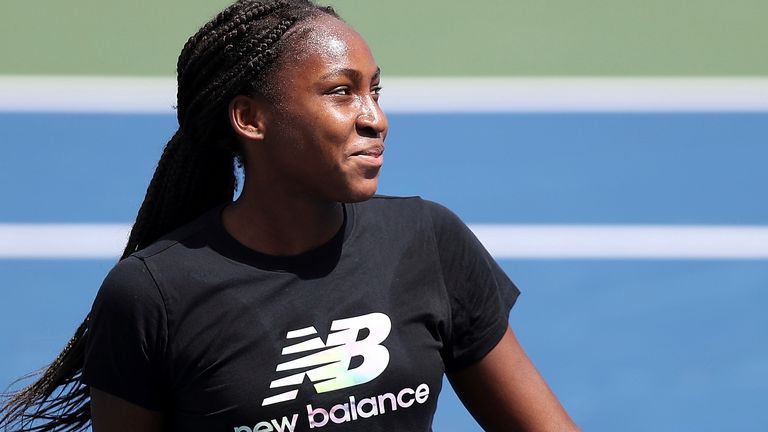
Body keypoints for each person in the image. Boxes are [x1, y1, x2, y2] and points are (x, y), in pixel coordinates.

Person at [1, 1, 579, 430]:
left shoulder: (427, 241)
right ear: (251, 118)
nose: (375, 118)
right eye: (340, 92)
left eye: (375, 91)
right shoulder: (152, 297)